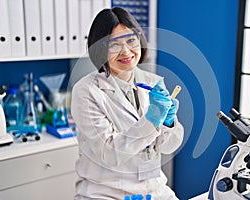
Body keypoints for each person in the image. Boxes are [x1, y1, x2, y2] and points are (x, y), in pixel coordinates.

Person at [71, 7, 184, 200]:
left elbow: (167, 147)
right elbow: (109, 154)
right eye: (114, 45)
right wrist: (152, 120)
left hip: (154, 190)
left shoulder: (153, 82)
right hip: (106, 193)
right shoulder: (86, 91)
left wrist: (168, 123)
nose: (126, 51)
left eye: (131, 40)